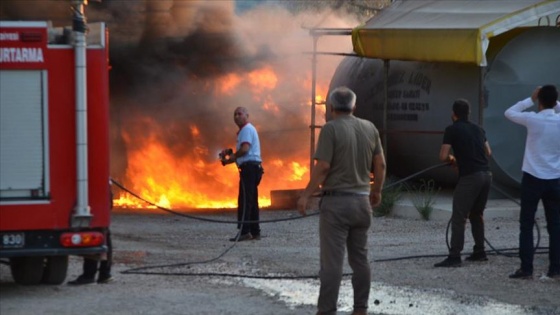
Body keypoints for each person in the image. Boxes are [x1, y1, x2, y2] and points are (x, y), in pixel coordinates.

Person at [297, 86, 386, 315]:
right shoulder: (370, 128)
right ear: (354, 107)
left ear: (332, 107)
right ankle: (360, 309)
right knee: (360, 259)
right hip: (361, 202)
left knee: (332, 263)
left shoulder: (330, 129)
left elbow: (324, 166)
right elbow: (381, 164)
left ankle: (327, 310)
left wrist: (306, 194)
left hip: (336, 205)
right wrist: (376, 191)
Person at [505, 85, 560, 279]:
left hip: (532, 176)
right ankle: (555, 269)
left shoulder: (532, 119)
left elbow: (509, 112)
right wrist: (553, 102)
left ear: (539, 101)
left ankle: (526, 269)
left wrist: (529, 99)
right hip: (554, 178)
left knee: (526, 224)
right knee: (555, 225)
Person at [434, 99, 493, 268]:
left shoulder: (452, 129)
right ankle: (480, 252)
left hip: (470, 177)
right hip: (487, 175)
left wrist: (454, 159)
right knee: (477, 214)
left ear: (454, 114)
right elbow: (488, 151)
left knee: (459, 217)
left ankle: (454, 256)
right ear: (469, 114)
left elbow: (443, 156)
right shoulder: (479, 129)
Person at [220, 106, 264, 242]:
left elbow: (245, 149)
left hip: (249, 169)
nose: (237, 116)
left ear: (247, 115)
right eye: (235, 114)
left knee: (245, 200)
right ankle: (255, 231)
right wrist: (229, 159)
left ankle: (245, 232)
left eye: (240, 114)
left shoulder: (246, 130)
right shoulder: (246, 130)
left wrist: (232, 157)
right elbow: (242, 152)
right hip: (253, 168)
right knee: (251, 201)